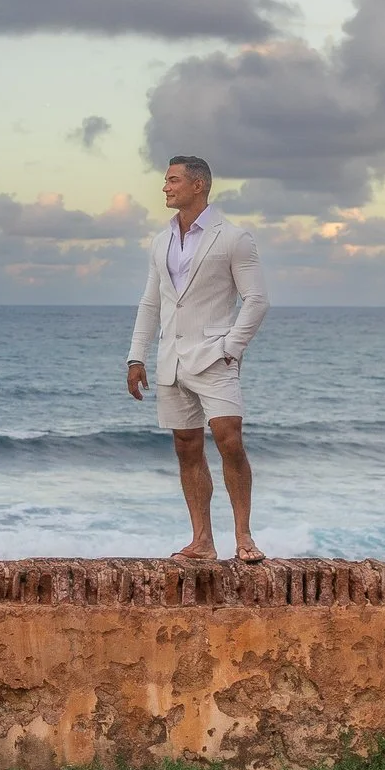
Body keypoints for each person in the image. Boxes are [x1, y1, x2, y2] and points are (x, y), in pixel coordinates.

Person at [126, 154, 269, 563]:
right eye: (166, 181)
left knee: (230, 440)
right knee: (186, 446)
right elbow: (151, 302)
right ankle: (202, 541)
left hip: (214, 357)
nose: (166, 188)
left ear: (198, 185)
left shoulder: (233, 237)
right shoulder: (161, 240)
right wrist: (136, 357)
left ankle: (244, 537)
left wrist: (231, 347)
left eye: (172, 180)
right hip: (171, 359)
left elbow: (257, 300)